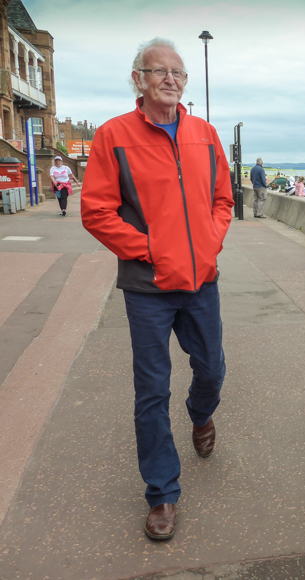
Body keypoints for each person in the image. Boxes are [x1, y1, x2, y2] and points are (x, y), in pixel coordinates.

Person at [80, 38, 234, 541]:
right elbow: (96, 212)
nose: (170, 79)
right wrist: (149, 248)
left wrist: (207, 245)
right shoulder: (113, 136)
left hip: (201, 281)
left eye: (178, 72)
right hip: (146, 287)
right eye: (159, 71)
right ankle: (162, 493)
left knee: (211, 368)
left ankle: (201, 415)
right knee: (151, 390)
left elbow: (223, 200)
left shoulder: (205, 134)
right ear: (139, 79)